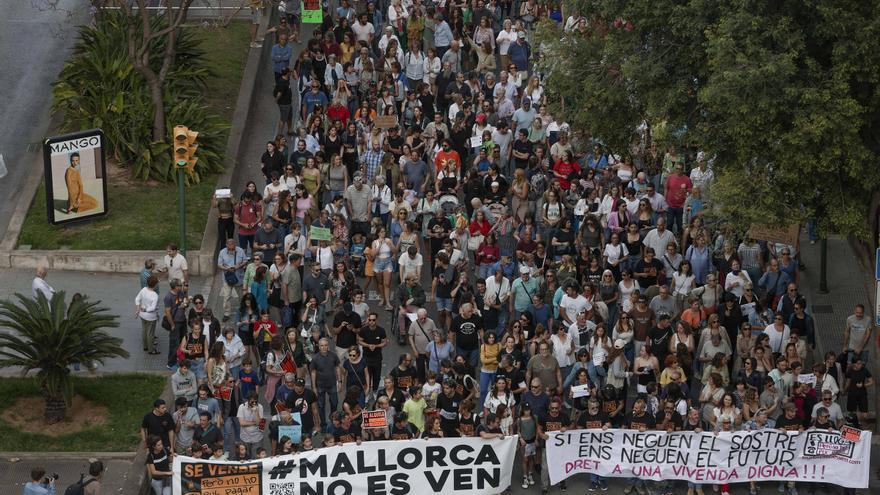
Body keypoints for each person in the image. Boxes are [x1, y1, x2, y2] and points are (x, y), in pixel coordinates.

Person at [135, 275, 161, 354]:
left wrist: (138, 308)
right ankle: (151, 349)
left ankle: (145, 346)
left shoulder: (143, 290)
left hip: (142, 315)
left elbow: (137, 299)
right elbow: (153, 308)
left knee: (144, 330)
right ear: (155, 285)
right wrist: (146, 309)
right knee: (150, 333)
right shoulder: (155, 295)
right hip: (151, 317)